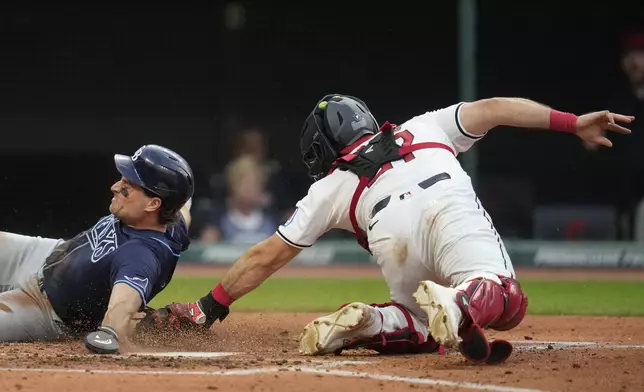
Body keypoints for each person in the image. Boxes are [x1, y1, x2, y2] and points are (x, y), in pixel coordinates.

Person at [140, 95, 633, 364]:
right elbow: (496, 109)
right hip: (446, 207)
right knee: (507, 299)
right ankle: (463, 301)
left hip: (389, 236)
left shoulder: (330, 187)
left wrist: (207, 308)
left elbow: (266, 255)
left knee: (419, 323)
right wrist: (572, 124)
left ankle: (381, 322)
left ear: (323, 148)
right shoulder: (424, 127)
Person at [0, 144, 194, 355]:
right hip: (46, 254)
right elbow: (184, 205)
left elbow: (125, 300)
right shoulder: (170, 219)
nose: (115, 186)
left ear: (153, 204)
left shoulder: (140, 256)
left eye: (128, 185)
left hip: (44, 308)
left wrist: (112, 330)